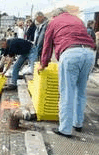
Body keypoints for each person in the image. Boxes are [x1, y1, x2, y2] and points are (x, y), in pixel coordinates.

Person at [38, 8, 96, 138]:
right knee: (80, 90)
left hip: (70, 53)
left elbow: (47, 46)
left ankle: (65, 129)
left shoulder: (53, 22)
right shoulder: (78, 20)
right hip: (89, 53)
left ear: (54, 16)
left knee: (67, 92)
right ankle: (78, 123)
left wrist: (43, 64)